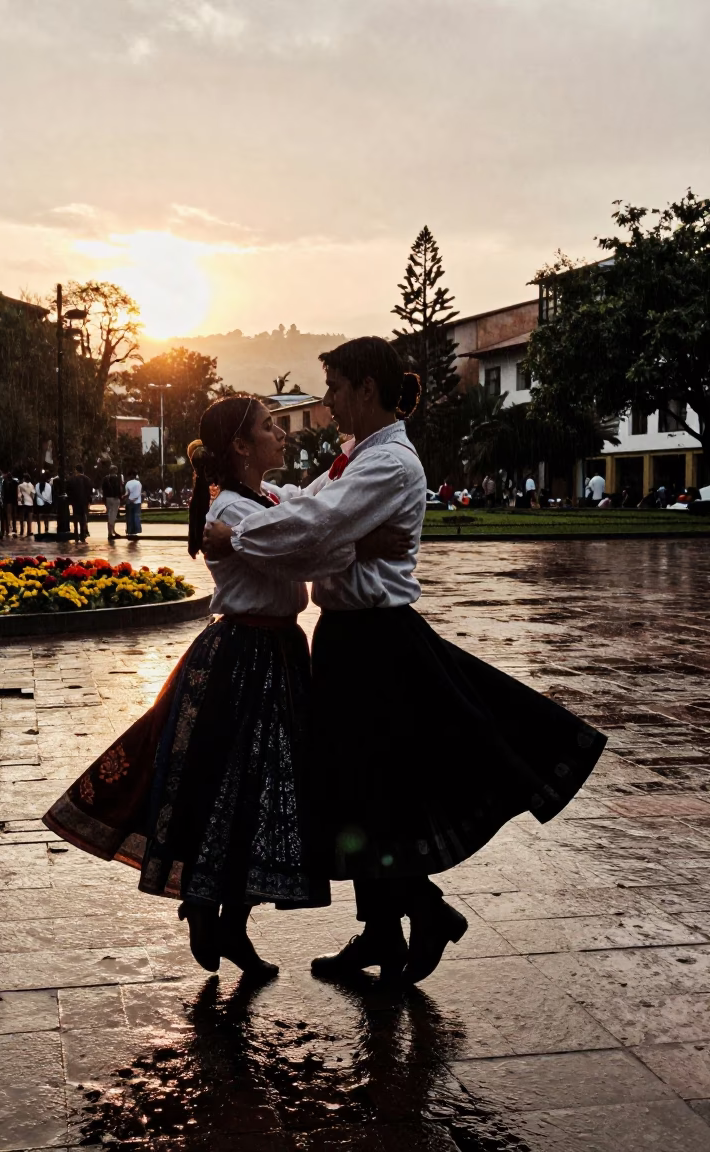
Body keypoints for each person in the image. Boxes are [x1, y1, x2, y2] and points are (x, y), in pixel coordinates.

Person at [204, 336, 607, 986]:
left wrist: (241, 534)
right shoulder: (354, 458)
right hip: (349, 636)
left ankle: (423, 911)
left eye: (334, 386)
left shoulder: (387, 464)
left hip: (377, 641)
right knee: (360, 789)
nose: (328, 400)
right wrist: (343, 543)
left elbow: (309, 534)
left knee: (373, 786)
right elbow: (311, 520)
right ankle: (385, 930)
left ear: (366, 387)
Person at [43, 394, 408, 978]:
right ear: (240, 446)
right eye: (269, 428)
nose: (280, 435)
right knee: (230, 786)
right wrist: (366, 544)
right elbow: (302, 550)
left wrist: (347, 491)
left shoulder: (259, 501)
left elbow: (310, 508)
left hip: (274, 653)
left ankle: (225, 919)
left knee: (252, 789)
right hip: (246, 656)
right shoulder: (235, 513)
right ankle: (211, 909)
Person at [68, 464, 92, 543]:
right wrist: (89, 501)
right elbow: (89, 492)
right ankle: (83, 535)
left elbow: (69, 491)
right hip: (84, 502)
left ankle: (76, 536)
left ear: (76, 470)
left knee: (76, 518)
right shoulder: (87, 479)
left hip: (75, 502)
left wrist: (70, 500)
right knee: (83, 519)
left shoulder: (72, 479)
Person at [102, 466, 123, 540]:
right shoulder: (117, 478)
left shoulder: (105, 478)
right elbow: (119, 488)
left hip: (108, 498)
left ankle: (111, 531)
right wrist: (120, 497)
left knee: (110, 514)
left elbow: (103, 489)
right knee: (113, 515)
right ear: (116, 471)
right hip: (115, 498)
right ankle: (111, 532)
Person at [124, 471, 142, 537]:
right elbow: (139, 492)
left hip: (129, 501)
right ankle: (136, 530)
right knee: (136, 516)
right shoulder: (138, 483)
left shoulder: (127, 483)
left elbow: (127, 493)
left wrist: (126, 498)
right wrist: (135, 498)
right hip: (137, 502)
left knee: (129, 517)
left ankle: (130, 530)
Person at [17, 472, 36, 537]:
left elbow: (19, 496)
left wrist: (19, 501)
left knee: (22, 518)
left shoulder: (20, 486)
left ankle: (22, 531)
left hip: (23, 503)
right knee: (29, 518)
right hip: (30, 503)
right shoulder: (32, 485)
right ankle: (29, 531)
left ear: (24, 478)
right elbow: (33, 495)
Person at [2, 472, 19, 537]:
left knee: (8, 514)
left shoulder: (5, 483)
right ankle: (14, 528)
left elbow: (3, 492)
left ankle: (8, 526)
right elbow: (17, 491)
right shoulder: (15, 482)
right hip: (14, 499)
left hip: (7, 500)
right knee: (14, 515)